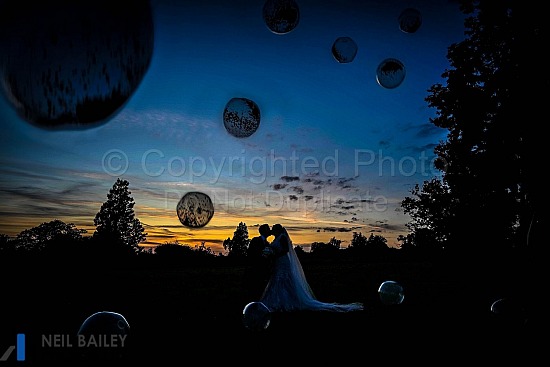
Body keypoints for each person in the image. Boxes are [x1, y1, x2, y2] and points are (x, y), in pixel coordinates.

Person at [260, 224, 363, 312]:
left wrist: (275, 254)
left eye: (273, 229)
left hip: (283, 262)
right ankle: (279, 301)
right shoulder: (276, 238)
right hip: (278, 263)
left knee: (284, 280)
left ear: (277, 230)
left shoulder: (282, 237)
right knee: (277, 281)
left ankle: (287, 301)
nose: (271, 230)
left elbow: (286, 250)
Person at [243, 223, 272, 300]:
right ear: (264, 231)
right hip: (256, 268)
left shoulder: (267, 243)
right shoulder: (255, 240)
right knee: (255, 287)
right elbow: (250, 253)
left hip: (264, 269)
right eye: (268, 229)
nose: (270, 231)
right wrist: (261, 255)